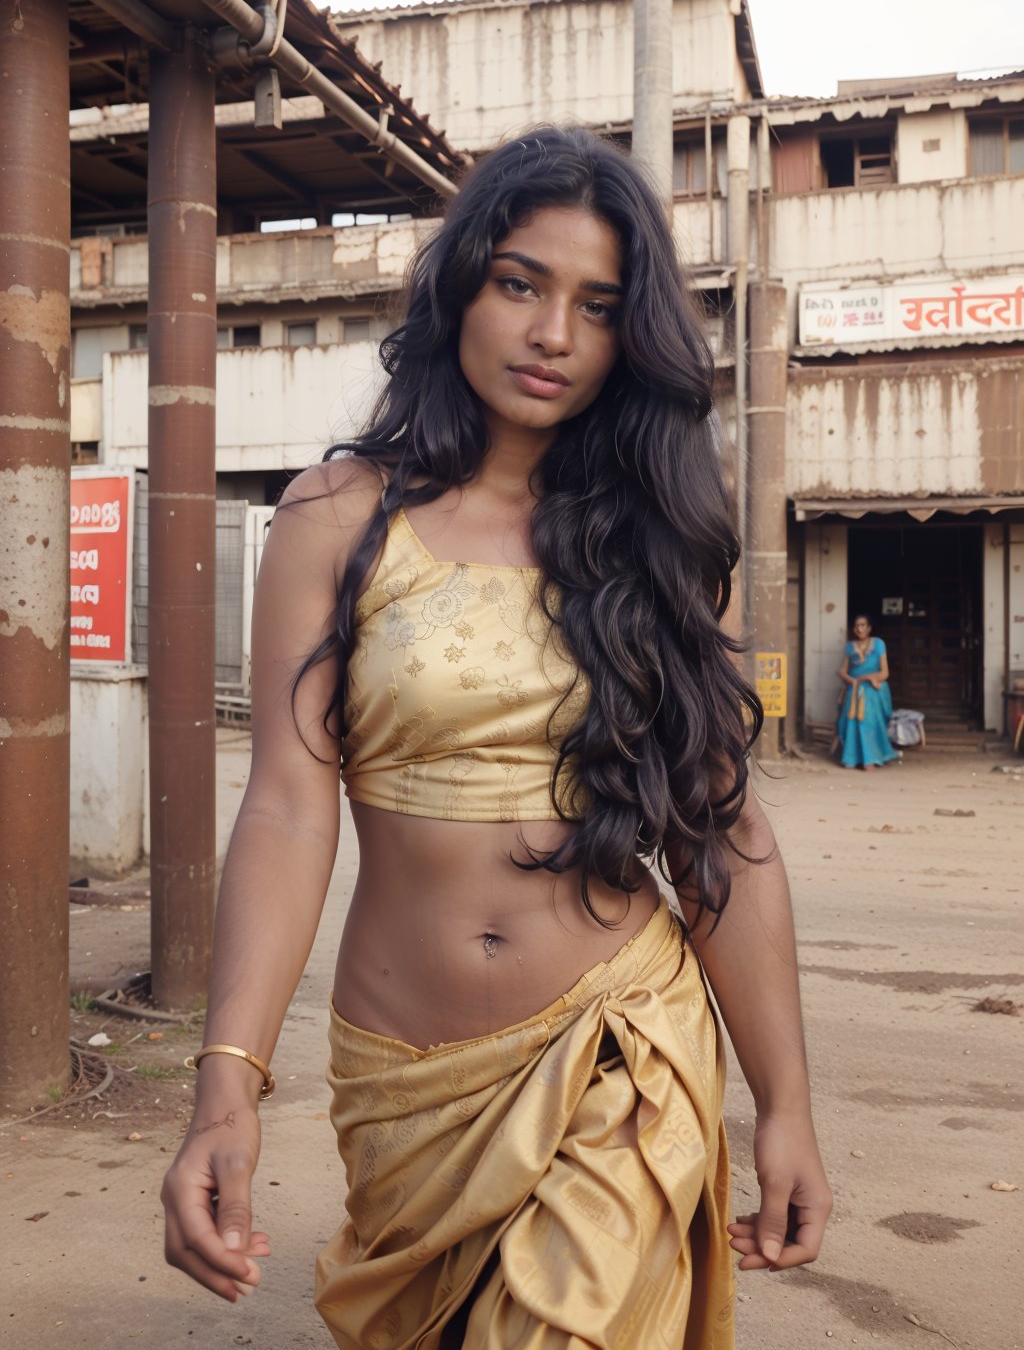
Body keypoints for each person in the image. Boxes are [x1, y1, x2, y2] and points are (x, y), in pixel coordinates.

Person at [161, 126, 832, 1347]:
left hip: (614, 1045)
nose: (553, 336)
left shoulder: (664, 543)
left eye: (598, 305)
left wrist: (785, 1102)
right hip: (405, 1084)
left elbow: (724, 830)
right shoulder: (334, 519)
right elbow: (288, 807)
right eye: (521, 283)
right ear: (462, 281)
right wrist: (227, 1080)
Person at [835, 614, 898, 770]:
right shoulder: (849, 647)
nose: (860, 628)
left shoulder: (878, 644)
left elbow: (885, 673)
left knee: (868, 719)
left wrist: (867, 677)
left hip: (872, 689)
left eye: (863, 625)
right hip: (854, 688)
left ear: (869, 628)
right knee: (850, 720)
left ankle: (871, 758)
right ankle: (852, 758)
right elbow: (842, 672)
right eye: (857, 626)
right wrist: (853, 681)